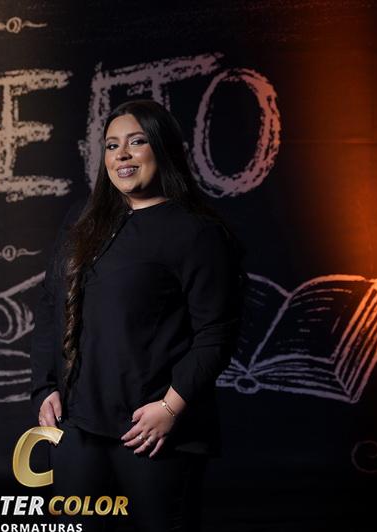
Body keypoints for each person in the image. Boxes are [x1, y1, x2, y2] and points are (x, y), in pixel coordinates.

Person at [30, 99, 247, 532]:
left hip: (150, 431)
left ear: (162, 148)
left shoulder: (197, 233)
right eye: (112, 145)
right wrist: (45, 386)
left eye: (136, 142)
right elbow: (52, 304)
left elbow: (216, 334)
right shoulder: (82, 219)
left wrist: (170, 407)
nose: (122, 154)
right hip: (77, 425)